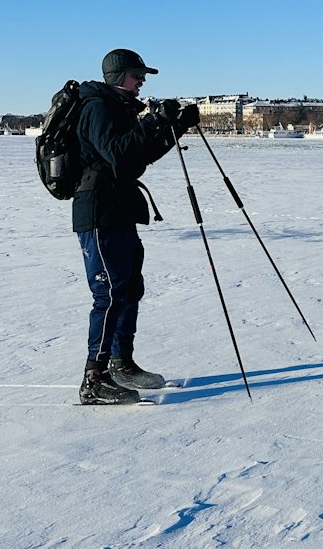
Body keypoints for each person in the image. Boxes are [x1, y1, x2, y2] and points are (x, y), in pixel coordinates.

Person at [73, 48, 199, 405]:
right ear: (117, 77)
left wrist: (175, 126)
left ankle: (121, 364)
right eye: (136, 74)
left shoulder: (120, 109)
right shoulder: (97, 107)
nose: (142, 80)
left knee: (129, 288)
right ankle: (93, 379)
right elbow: (119, 153)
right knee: (109, 293)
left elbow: (138, 156)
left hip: (120, 209)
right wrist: (152, 122)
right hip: (98, 211)